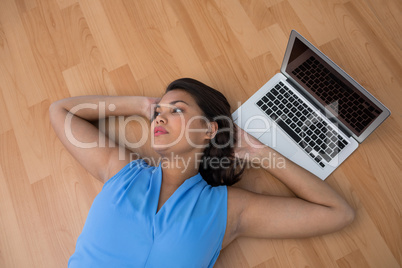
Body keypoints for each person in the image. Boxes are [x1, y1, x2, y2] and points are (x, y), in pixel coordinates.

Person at [49, 78, 355, 267]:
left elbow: (338, 213)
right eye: (158, 114)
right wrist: (142, 105)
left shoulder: (227, 209)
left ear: (209, 130)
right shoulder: (122, 173)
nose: (160, 119)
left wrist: (258, 153)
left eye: (177, 110)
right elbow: (61, 112)